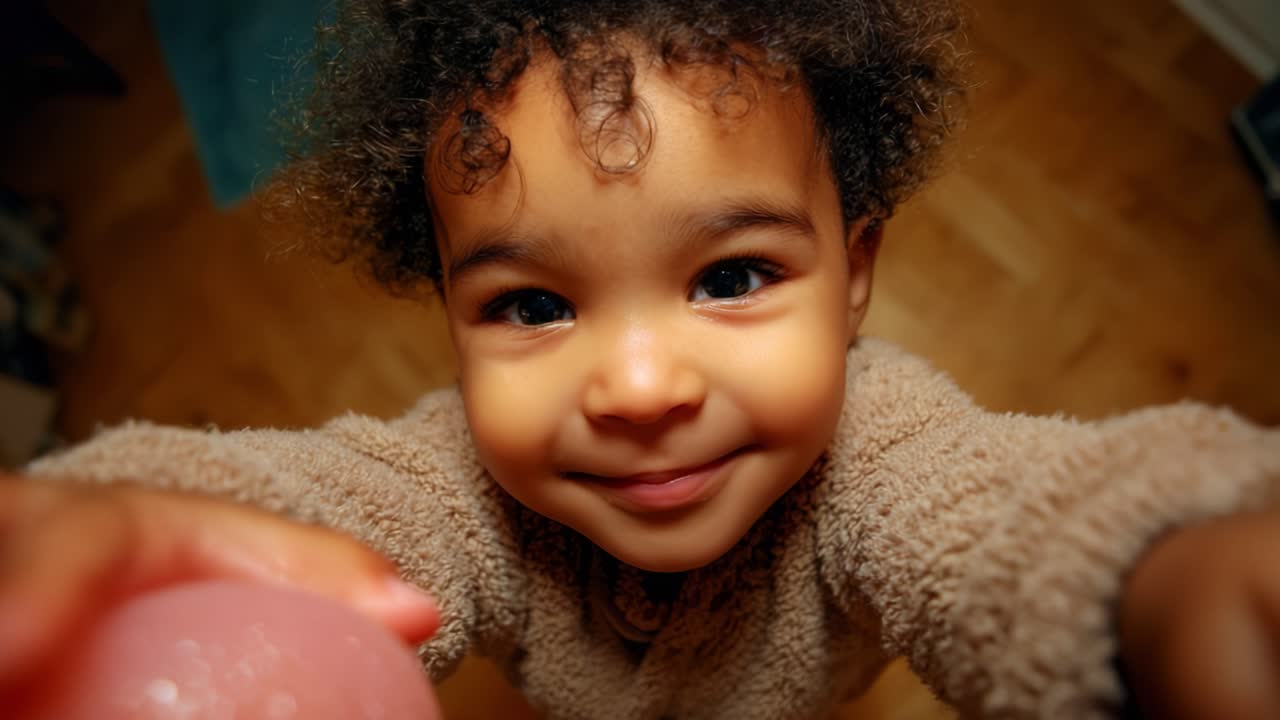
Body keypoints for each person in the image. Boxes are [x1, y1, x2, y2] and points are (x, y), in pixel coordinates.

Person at [2, 1, 1279, 718]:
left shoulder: (876, 454)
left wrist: (1170, 579)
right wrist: (138, 549)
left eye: (730, 278)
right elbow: (330, 519)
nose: (635, 387)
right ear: (446, 310)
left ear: (856, 274)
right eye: (532, 306)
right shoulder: (463, 489)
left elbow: (1006, 525)